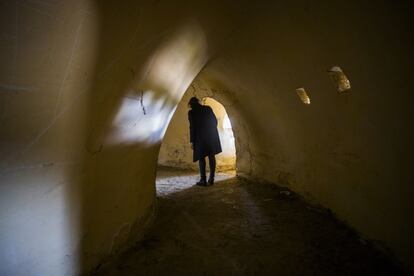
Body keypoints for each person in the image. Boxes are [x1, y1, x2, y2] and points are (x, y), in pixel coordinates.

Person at [188, 97, 222, 186]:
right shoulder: (207, 108)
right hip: (210, 136)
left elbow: (192, 127)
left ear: (191, 105)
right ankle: (211, 178)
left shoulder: (191, 113)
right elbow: (214, 121)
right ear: (199, 102)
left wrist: (192, 141)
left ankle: (203, 180)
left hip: (199, 138)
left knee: (201, 158)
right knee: (211, 156)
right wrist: (211, 130)